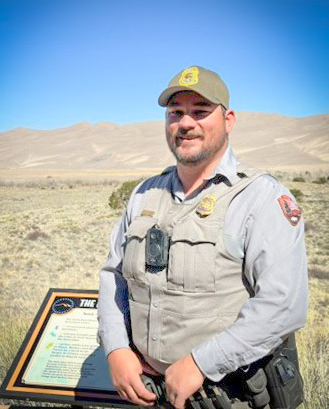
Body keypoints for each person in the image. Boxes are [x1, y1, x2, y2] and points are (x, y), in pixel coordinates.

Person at [98, 65, 308, 409]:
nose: (185, 123)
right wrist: (117, 348)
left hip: (228, 396)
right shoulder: (143, 195)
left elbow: (284, 305)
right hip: (148, 394)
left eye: (200, 111)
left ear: (228, 120)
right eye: (175, 112)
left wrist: (201, 363)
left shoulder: (259, 198)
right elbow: (114, 277)